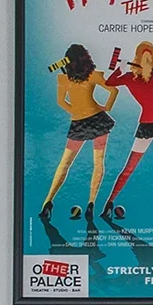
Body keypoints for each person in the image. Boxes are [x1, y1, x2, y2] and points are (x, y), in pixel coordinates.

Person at [102, 41, 153, 219]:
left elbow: (110, 82)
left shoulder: (128, 78)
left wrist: (120, 69)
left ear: (137, 57)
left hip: (147, 123)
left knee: (129, 168)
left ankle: (109, 203)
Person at [42, 43, 119, 220]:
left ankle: (48, 201)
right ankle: (91, 203)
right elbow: (113, 90)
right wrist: (106, 107)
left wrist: (77, 111)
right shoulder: (94, 74)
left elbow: (61, 102)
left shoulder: (63, 79)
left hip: (78, 123)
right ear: (86, 58)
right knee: (98, 163)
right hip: (98, 120)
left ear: (67, 59)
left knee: (64, 163)